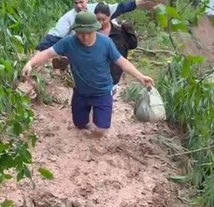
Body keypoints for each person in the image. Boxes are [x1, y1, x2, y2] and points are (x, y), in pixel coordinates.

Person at [22, 11, 153, 137]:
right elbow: (48, 53)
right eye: (81, 33)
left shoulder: (106, 43)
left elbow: (121, 61)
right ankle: (87, 117)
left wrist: (140, 76)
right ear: (76, 31)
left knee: (101, 130)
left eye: (89, 33)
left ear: (95, 29)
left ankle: (97, 121)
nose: (84, 37)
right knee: (79, 125)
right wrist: (30, 63)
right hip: (81, 92)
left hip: (102, 92)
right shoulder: (68, 42)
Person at [36, 0, 155, 53]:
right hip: (80, 47)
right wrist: (39, 50)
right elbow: (55, 35)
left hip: (102, 45)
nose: (79, 6)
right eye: (75, 3)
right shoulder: (68, 18)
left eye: (81, 2)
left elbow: (121, 7)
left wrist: (143, 0)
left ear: (86, 0)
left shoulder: (98, 8)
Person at [94, 3, 139, 97]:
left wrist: (128, 29)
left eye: (103, 19)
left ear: (109, 17)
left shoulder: (119, 33)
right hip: (94, 77)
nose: (101, 22)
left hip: (113, 77)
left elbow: (132, 45)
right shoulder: (91, 34)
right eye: (98, 20)